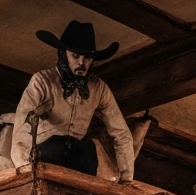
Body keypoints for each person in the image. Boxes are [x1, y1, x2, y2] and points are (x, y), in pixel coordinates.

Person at [11, 20, 134, 182]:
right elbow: (22, 129)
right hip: (46, 153)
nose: (81, 63)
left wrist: (127, 178)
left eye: (87, 58)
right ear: (64, 54)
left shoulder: (99, 88)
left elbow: (121, 133)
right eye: (75, 56)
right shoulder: (42, 81)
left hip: (79, 157)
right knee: (56, 145)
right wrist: (27, 171)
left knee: (89, 148)